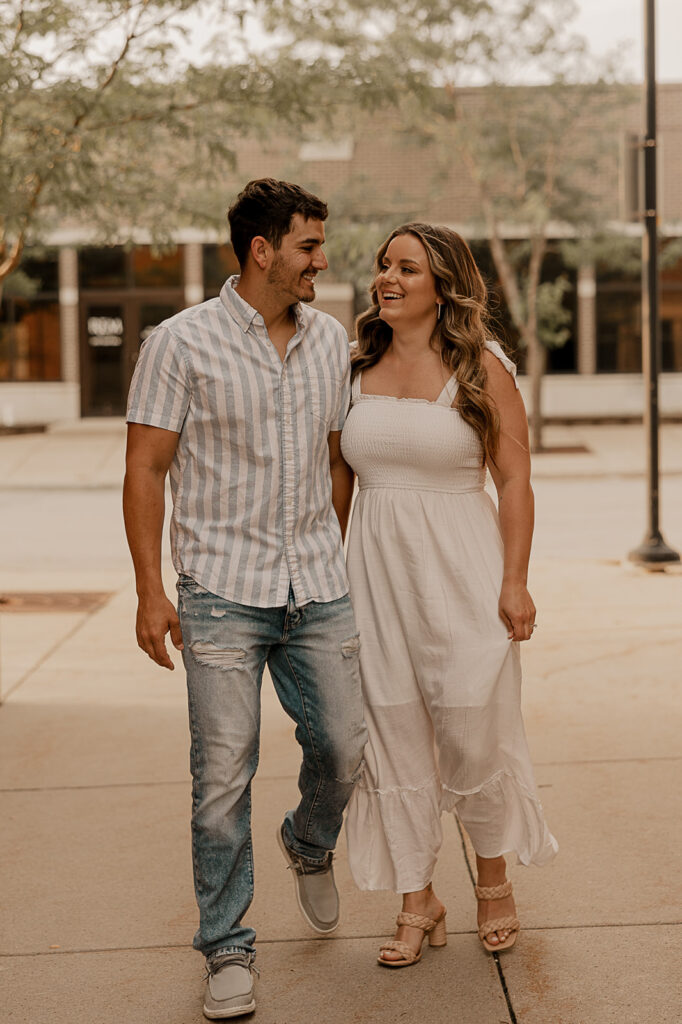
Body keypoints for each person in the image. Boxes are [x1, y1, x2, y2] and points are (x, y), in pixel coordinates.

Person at [123, 178, 367, 1018]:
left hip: (316, 586)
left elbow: (339, 457)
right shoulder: (179, 344)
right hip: (221, 589)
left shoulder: (330, 338)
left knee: (345, 746)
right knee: (223, 776)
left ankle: (308, 841)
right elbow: (146, 469)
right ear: (263, 250)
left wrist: (328, 546)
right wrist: (152, 591)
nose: (321, 262)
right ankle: (226, 946)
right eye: (308, 247)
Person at [341, 222, 558, 968]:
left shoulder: (481, 366)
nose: (388, 278)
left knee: (471, 728)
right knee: (392, 737)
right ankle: (416, 897)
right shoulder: (353, 365)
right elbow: (337, 492)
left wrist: (515, 579)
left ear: (443, 285)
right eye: (383, 266)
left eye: (407, 267)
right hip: (374, 579)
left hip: (463, 572)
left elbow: (516, 479)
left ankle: (493, 883)